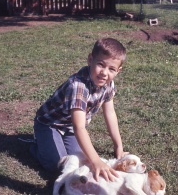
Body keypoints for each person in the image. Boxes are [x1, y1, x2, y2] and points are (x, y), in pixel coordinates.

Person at [30, 38, 128, 182]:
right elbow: (79, 128)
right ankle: (37, 145)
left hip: (69, 127)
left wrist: (118, 146)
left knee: (79, 161)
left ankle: (53, 143)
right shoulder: (78, 87)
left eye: (111, 69)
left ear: (118, 71)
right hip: (49, 124)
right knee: (58, 164)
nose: (104, 73)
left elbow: (110, 113)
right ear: (90, 59)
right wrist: (96, 161)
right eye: (101, 64)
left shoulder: (108, 83)